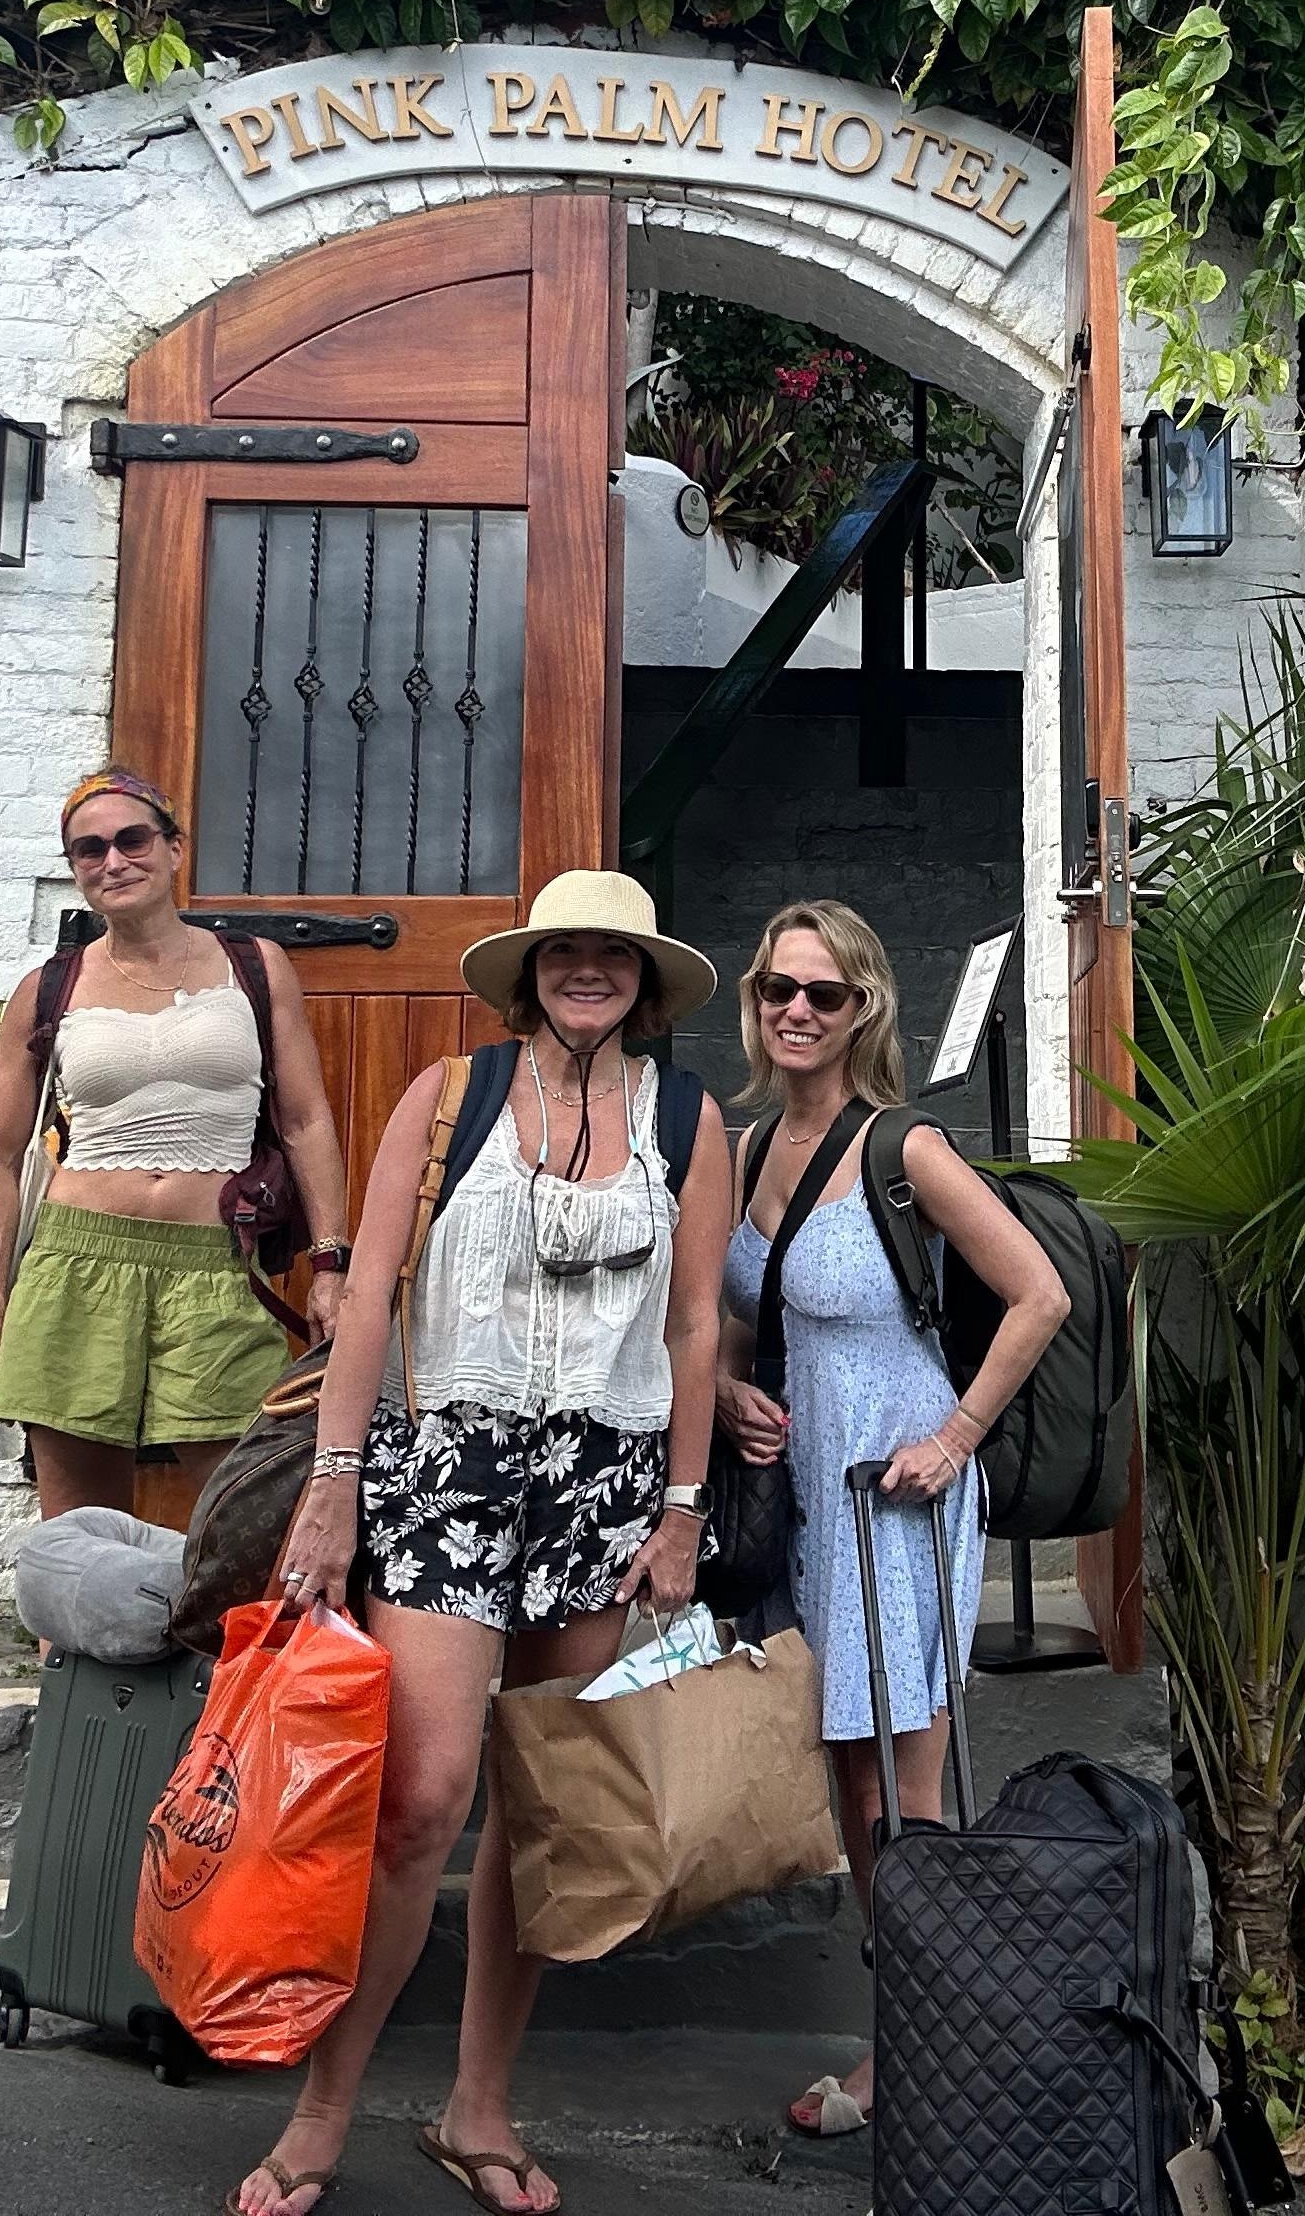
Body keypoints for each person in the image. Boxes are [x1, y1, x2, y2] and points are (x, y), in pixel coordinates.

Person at [241, 870, 737, 2216]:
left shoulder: (687, 1121)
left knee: (537, 1811)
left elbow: (696, 1325)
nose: (589, 971)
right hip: (453, 1467)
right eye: (565, 952)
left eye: (613, 956)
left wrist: (685, 1505)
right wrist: (336, 1483)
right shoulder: (448, 1098)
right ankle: (323, 2114)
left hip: (606, 1482)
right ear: (531, 974)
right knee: (422, 1798)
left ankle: (479, 2108)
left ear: (644, 982)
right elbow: (368, 1302)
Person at [715, 899, 1069, 2145]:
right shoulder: (750, 1148)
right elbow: (738, 1324)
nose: (797, 1011)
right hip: (804, 1493)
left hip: (897, 1494)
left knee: (904, 1782)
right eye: (777, 991)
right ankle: (922, 2030)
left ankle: (922, 2052)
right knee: (848, 1770)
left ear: (865, 1007)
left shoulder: (904, 1149)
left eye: (824, 993)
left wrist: (955, 1437)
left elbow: (1039, 1293)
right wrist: (725, 1390)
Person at [0, 770, 352, 1520]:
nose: (113, 860)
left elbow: (306, 1122)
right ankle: (70, 1645)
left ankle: (226, 1644)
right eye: (89, 849)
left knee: (242, 1515)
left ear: (174, 849)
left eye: (132, 839)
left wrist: (331, 1264)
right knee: (77, 1530)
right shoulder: (47, 988)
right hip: (76, 1262)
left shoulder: (255, 967)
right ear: (75, 869)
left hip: (214, 1267)